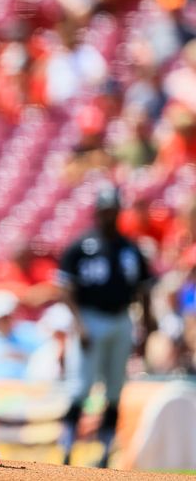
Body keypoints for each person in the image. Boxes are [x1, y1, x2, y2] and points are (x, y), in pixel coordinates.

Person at [56, 185, 155, 467]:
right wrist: (80, 325)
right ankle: (66, 447)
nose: (108, 216)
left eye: (113, 210)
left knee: (114, 389)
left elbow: (144, 292)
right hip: (90, 317)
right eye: (104, 210)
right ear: (97, 212)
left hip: (122, 319)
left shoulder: (131, 248)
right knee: (81, 388)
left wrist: (145, 329)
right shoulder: (81, 246)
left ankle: (105, 451)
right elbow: (66, 290)